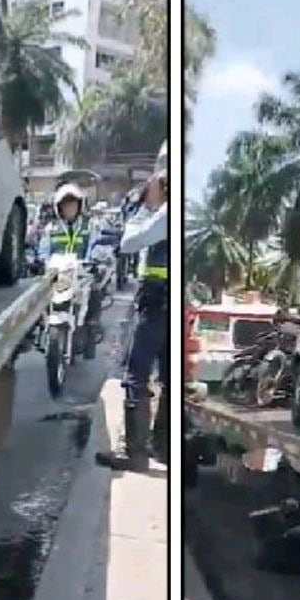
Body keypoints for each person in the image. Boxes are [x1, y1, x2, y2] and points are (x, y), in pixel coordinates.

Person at [96, 144, 169, 471]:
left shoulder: (165, 213)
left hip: (155, 301)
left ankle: (135, 454)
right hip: (169, 302)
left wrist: (141, 211)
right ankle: (163, 447)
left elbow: (129, 243)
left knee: (135, 375)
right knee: (168, 377)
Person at [39, 183, 102, 327]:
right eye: (66, 205)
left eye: (73, 204)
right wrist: (42, 261)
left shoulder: (89, 226)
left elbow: (95, 245)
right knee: (37, 296)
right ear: (59, 207)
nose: (69, 208)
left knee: (95, 290)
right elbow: (44, 249)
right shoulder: (51, 228)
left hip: (81, 273)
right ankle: (39, 327)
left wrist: (93, 260)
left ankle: (92, 326)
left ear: (79, 206)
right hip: (57, 274)